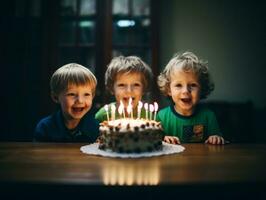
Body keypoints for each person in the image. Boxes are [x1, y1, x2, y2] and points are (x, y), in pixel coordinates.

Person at [157, 51, 225, 145]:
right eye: (178, 85)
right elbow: (154, 141)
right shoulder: (161, 116)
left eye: (193, 85)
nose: (185, 91)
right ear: (169, 90)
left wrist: (215, 138)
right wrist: (163, 139)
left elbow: (219, 140)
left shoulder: (208, 116)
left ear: (202, 88)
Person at [34, 63, 99, 143]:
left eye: (86, 94)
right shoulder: (45, 127)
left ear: (92, 96)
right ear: (55, 97)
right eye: (72, 94)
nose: (80, 100)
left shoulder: (96, 128)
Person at [95, 55, 153, 122]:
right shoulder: (103, 115)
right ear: (112, 88)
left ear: (144, 89)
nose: (129, 91)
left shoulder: (149, 116)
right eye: (121, 85)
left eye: (136, 85)